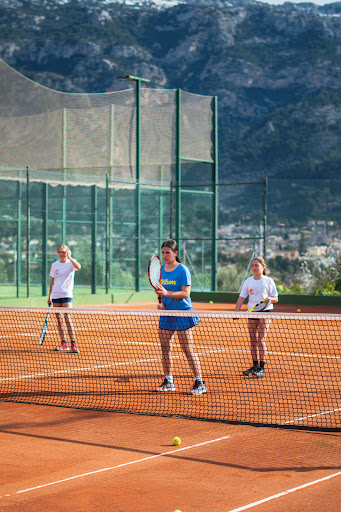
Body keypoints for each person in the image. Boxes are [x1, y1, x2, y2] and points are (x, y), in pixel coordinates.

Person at [154, 239, 206, 395]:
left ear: (175, 253)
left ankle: (199, 382)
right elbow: (160, 290)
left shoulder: (183, 270)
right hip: (167, 313)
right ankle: (169, 381)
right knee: (165, 348)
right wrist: (162, 302)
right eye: (162, 252)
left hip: (183, 312)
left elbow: (186, 293)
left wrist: (167, 294)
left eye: (168, 252)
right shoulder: (160, 270)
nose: (164, 255)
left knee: (187, 349)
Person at [235, 256, 278, 378]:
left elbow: (276, 298)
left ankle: (261, 368)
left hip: (266, 312)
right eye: (252, 265)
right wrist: (236, 311)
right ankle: (254, 366)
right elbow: (241, 297)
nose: (254, 267)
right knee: (253, 340)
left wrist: (270, 299)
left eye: (256, 265)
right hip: (252, 312)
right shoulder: (248, 281)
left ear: (263, 267)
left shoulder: (269, 281)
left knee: (261, 340)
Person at [48, 244, 81, 353]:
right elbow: (52, 281)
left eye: (64, 252)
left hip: (66, 294)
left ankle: (73, 344)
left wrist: (70, 257)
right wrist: (50, 296)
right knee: (59, 320)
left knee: (67, 317)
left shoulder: (71, 263)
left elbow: (78, 267)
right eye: (60, 252)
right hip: (56, 295)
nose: (61, 254)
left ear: (68, 252)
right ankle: (63, 343)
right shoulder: (54, 265)